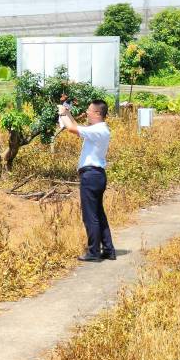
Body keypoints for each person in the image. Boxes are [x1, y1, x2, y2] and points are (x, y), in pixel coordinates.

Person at [58, 99, 116, 262]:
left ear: (97, 113)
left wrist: (62, 113)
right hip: (97, 175)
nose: (87, 113)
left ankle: (93, 252)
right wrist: (67, 112)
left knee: (90, 215)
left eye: (89, 110)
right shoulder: (98, 129)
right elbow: (76, 127)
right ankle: (108, 249)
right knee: (98, 213)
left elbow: (71, 128)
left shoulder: (98, 130)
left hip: (91, 176)